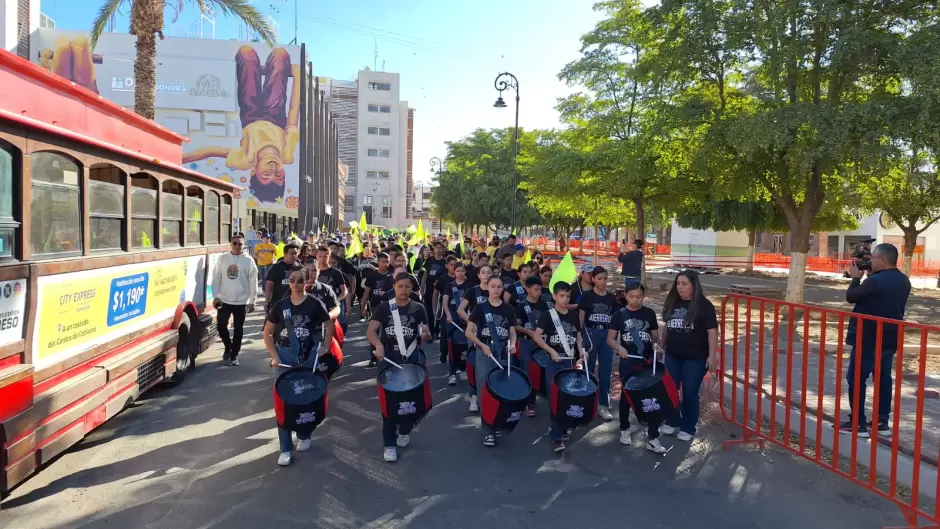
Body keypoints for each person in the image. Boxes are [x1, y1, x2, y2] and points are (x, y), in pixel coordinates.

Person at [183, 47, 300, 203]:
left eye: (266, 175)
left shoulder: (244, 160)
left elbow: (209, 151)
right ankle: (275, 65)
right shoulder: (287, 154)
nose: (273, 171)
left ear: (253, 171)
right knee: (281, 55)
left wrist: (172, 158)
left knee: (247, 54)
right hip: (275, 112)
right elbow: (293, 112)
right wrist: (299, 79)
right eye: (278, 175)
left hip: (250, 114)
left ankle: (250, 63)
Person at [263, 265, 334, 466]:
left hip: (308, 357)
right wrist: (274, 355)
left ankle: (304, 433)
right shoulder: (281, 305)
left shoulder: (315, 304)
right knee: (284, 403)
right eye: (292, 280)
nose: (295, 284)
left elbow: (328, 324)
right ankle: (285, 448)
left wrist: (326, 346)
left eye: (300, 280)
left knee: (305, 399)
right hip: (284, 358)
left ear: (306, 281)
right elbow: (267, 333)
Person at [840, 243, 911, 438]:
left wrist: (856, 278)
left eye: (872, 259)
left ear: (881, 260)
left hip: (867, 337)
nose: (870, 261)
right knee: (883, 379)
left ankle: (857, 424)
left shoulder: (875, 281)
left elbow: (851, 297)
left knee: (856, 378)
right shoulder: (904, 280)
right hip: (890, 338)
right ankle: (881, 422)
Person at [367, 273, 432, 462]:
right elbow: (371, 331)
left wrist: (425, 333)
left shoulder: (419, 308)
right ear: (394, 287)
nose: (404, 290)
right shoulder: (384, 307)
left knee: (414, 400)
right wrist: (378, 346)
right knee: (390, 402)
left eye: (408, 287)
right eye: (400, 286)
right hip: (389, 358)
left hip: (412, 357)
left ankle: (404, 430)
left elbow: (424, 334)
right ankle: (389, 443)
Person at [660, 270, 719, 441]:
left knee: (690, 392)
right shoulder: (673, 302)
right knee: (670, 389)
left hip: (695, 358)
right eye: (678, 283)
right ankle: (673, 421)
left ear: (694, 285)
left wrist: (712, 356)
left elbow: (712, 332)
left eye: (684, 284)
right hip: (673, 355)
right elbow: (667, 327)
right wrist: (662, 347)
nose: (680, 287)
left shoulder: (704, 305)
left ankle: (688, 426)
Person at [608, 282, 666, 453]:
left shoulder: (648, 313)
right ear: (626, 295)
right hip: (628, 362)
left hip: (647, 363)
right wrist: (620, 348)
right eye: (632, 296)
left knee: (652, 399)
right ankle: (624, 429)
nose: (635, 300)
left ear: (644, 296)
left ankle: (653, 437)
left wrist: (657, 347)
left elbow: (655, 336)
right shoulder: (619, 315)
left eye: (639, 297)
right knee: (626, 398)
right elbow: (610, 339)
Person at [530, 281, 585, 453]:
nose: (565, 299)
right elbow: (537, 337)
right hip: (553, 361)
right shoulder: (548, 315)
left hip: (569, 360)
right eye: (561, 296)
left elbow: (578, 337)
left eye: (568, 296)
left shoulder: (574, 315)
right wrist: (549, 350)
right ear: (554, 296)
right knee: (555, 397)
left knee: (567, 396)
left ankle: (561, 427)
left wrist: (581, 352)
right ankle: (556, 435)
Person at [466, 275, 518, 447]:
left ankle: (498, 422)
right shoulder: (480, 308)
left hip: (502, 351)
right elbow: (469, 332)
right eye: (493, 286)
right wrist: (481, 345)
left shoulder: (508, 309)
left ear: (503, 289)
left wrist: (513, 344)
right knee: (485, 388)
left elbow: (512, 331)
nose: (496, 290)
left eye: (499, 287)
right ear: (487, 287)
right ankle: (487, 428)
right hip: (484, 351)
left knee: (501, 388)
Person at [211, 234, 258, 366]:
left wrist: (252, 301)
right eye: (235, 243)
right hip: (225, 300)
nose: (237, 246)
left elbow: (253, 281)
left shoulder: (249, 260)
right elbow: (216, 278)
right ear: (230, 244)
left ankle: (234, 355)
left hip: (241, 301)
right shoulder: (223, 258)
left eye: (240, 244)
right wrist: (215, 296)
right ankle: (228, 346)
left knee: (238, 329)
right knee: (221, 325)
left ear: (244, 245)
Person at [579, 266, 617, 421]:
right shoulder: (587, 296)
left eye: (605, 278)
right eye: (599, 278)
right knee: (588, 368)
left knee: (605, 370)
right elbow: (581, 317)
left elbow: (614, 319)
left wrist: (613, 338)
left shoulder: (611, 298)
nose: (603, 281)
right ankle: (586, 402)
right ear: (593, 279)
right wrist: (579, 336)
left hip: (606, 335)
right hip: (590, 333)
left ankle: (603, 404)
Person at [458, 264, 493, 412]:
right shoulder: (473, 291)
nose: (486, 275)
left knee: (492, 365)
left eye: (489, 272)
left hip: (492, 333)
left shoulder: (495, 290)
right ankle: (473, 396)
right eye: (483, 272)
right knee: (474, 365)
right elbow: (460, 309)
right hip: (475, 333)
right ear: (478, 275)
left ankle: (490, 397)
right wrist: (472, 322)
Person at [514, 276, 547, 417]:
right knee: (528, 370)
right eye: (536, 289)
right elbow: (516, 325)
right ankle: (529, 400)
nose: (539, 292)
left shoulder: (544, 305)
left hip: (543, 342)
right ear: (527, 289)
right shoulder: (522, 306)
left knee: (542, 370)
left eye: (540, 290)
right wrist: (528, 331)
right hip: (527, 342)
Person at [442, 262, 471, 385]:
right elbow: (445, 301)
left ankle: (464, 368)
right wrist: (448, 314)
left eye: (462, 270)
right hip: (453, 317)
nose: (460, 273)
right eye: (457, 270)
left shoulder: (470, 285)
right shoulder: (450, 285)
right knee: (452, 347)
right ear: (454, 272)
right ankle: (452, 373)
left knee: (465, 345)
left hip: (466, 317)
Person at [315, 246, 349, 328]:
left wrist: (338, 299)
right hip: (318, 306)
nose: (322, 259)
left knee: (339, 327)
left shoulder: (336, 272)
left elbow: (344, 291)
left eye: (325, 257)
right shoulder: (313, 272)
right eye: (320, 256)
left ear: (329, 257)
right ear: (316, 257)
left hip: (334, 305)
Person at [264, 242, 300, 315]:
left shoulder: (300, 268)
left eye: (295, 253)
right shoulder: (276, 267)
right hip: (278, 303)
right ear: (285, 254)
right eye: (291, 253)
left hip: (295, 304)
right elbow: (269, 285)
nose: (294, 256)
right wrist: (267, 301)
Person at [422, 242, 448, 337]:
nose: (438, 249)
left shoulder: (445, 262)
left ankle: (437, 329)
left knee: (438, 310)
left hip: (439, 291)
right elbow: (425, 275)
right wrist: (422, 286)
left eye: (440, 247)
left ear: (443, 249)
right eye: (436, 247)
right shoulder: (429, 260)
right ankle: (431, 330)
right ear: (434, 249)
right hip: (429, 289)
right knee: (429, 311)